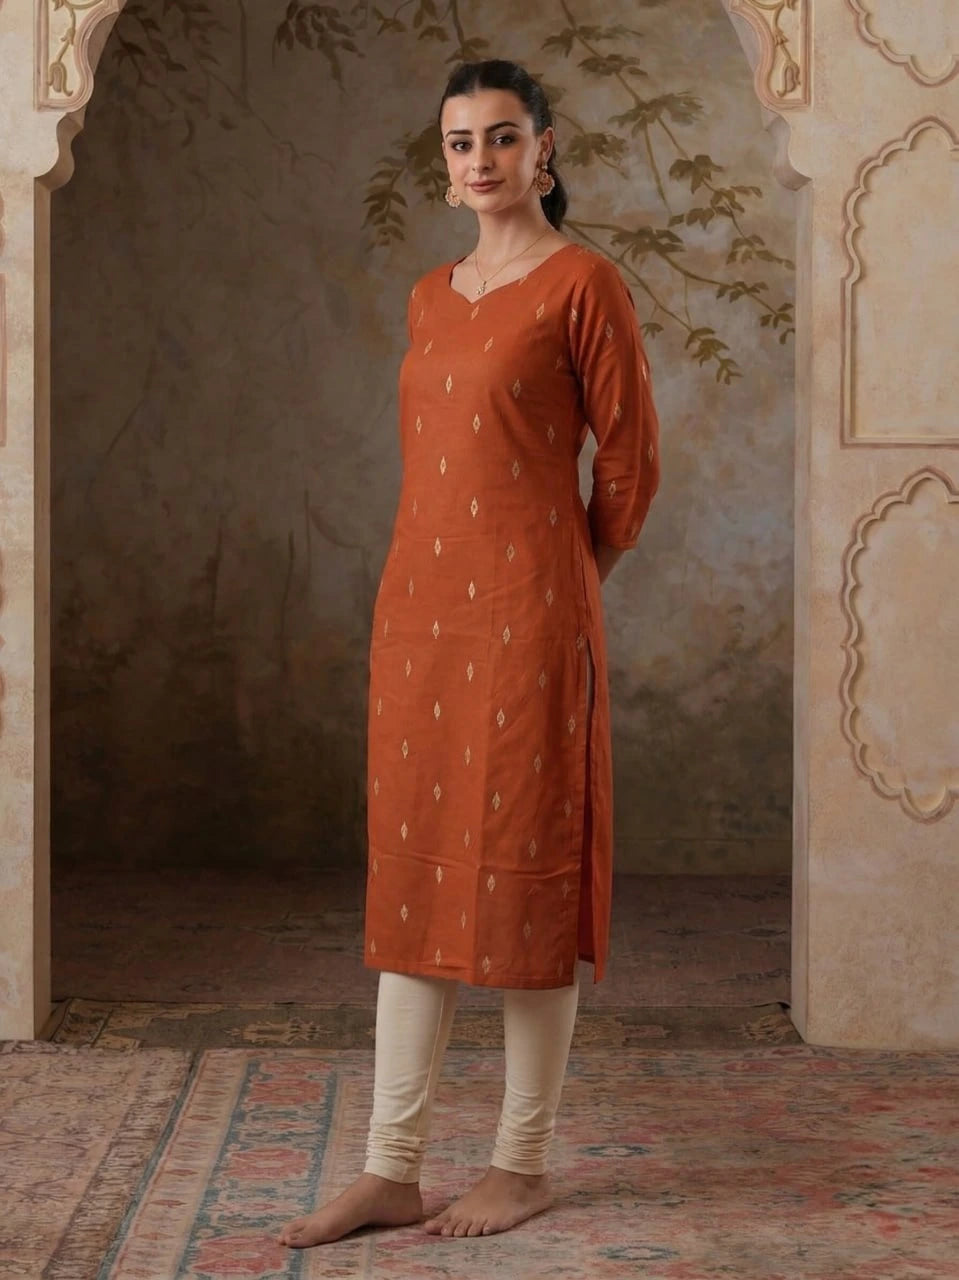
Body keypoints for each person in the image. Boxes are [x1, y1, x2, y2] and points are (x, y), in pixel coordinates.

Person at [279, 56, 660, 1249]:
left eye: (501, 136)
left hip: (530, 620)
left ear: (543, 151)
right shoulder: (428, 295)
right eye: (459, 142)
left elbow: (630, 466)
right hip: (419, 623)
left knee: (526, 874)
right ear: (443, 165)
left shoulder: (585, 284)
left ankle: (520, 1162)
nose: (480, 159)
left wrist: (559, 590)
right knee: (414, 877)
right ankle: (390, 1167)